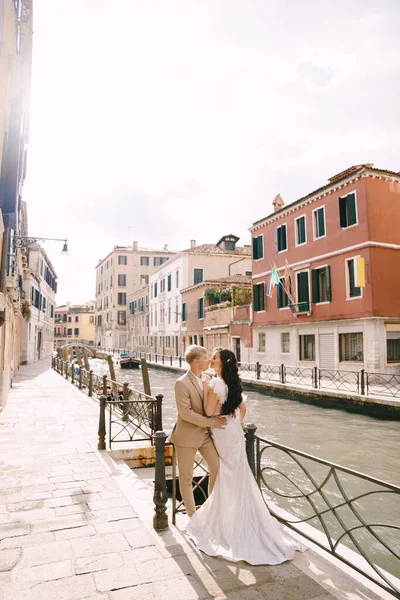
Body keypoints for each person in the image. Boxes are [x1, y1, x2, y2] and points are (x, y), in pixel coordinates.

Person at [187, 347, 305, 565]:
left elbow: (208, 412)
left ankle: (228, 524)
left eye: (214, 358)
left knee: (228, 475)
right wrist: (235, 424)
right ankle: (238, 520)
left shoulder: (214, 383)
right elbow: (242, 409)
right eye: (210, 357)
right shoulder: (231, 384)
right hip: (233, 431)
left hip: (222, 431)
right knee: (237, 475)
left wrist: (205, 387)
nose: (210, 359)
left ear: (222, 363)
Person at [170, 345, 227, 517]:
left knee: (216, 467)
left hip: (205, 435)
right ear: (196, 361)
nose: (208, 360)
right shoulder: (181, 383)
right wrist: (211, 423)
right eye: (205, 358)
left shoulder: (209, 377)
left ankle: (211, 509)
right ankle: (192, 515)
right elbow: (185, 413)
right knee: (186, 478)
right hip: (186, 436)